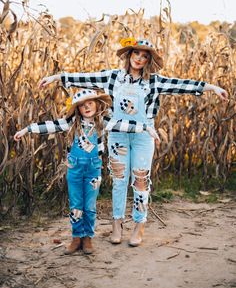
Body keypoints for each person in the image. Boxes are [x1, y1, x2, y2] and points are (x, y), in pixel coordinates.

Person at [39, 37, 228, 247]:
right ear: (129, 56)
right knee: (119, 180)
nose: (139, 59)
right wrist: (56, 77)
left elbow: (181, 85)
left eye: (144, 56)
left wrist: (212, 88)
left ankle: (139, 225)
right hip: (118, 136)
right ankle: (117, 225)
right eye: (136, 54)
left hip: (143, 137)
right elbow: (85, 78)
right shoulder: (113, 77)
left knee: (140, 179)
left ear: (148, 61)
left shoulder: (154, 82)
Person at [14, 87, 159, 254]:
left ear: (97, 105)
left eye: (90, 103)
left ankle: (88, 238)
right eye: (82, 105)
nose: (87, 107)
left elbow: (123, 125)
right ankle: (77, 238)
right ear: (77, 109)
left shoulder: (103, 122)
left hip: (93, 171)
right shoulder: (71, 123)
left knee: (89, 206)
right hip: (74, 169)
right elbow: (50, 126)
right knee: (76, 204)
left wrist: (146, 127)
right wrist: (26, 130)